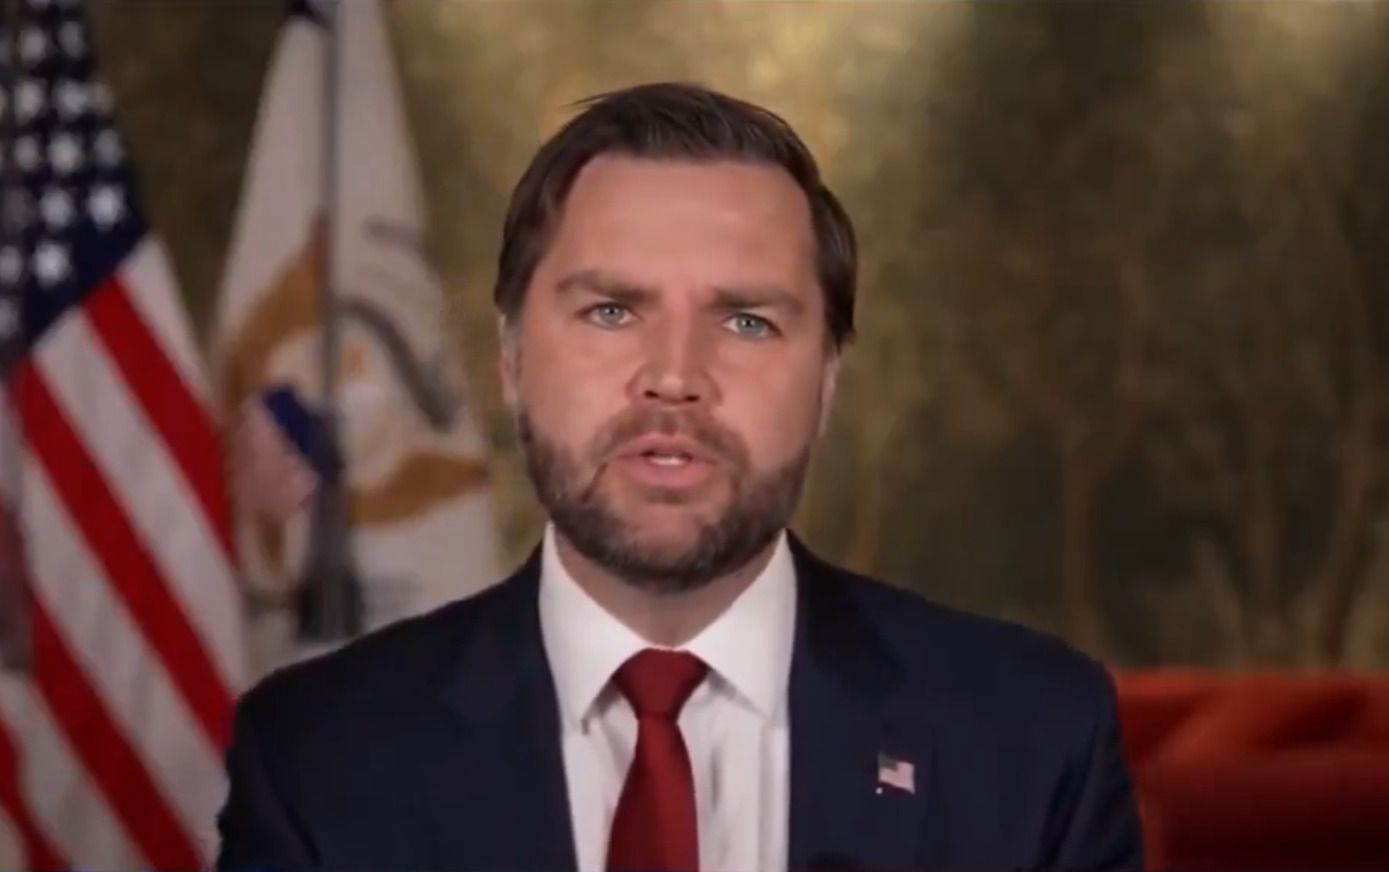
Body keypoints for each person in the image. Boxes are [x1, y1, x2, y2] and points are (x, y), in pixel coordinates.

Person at [215, 81, 1145, 872]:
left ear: (826, 380)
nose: (673, 375)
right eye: (611, 310)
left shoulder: (1033, 740)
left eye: (746, 321)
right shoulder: (317, 756)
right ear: (510, 360)